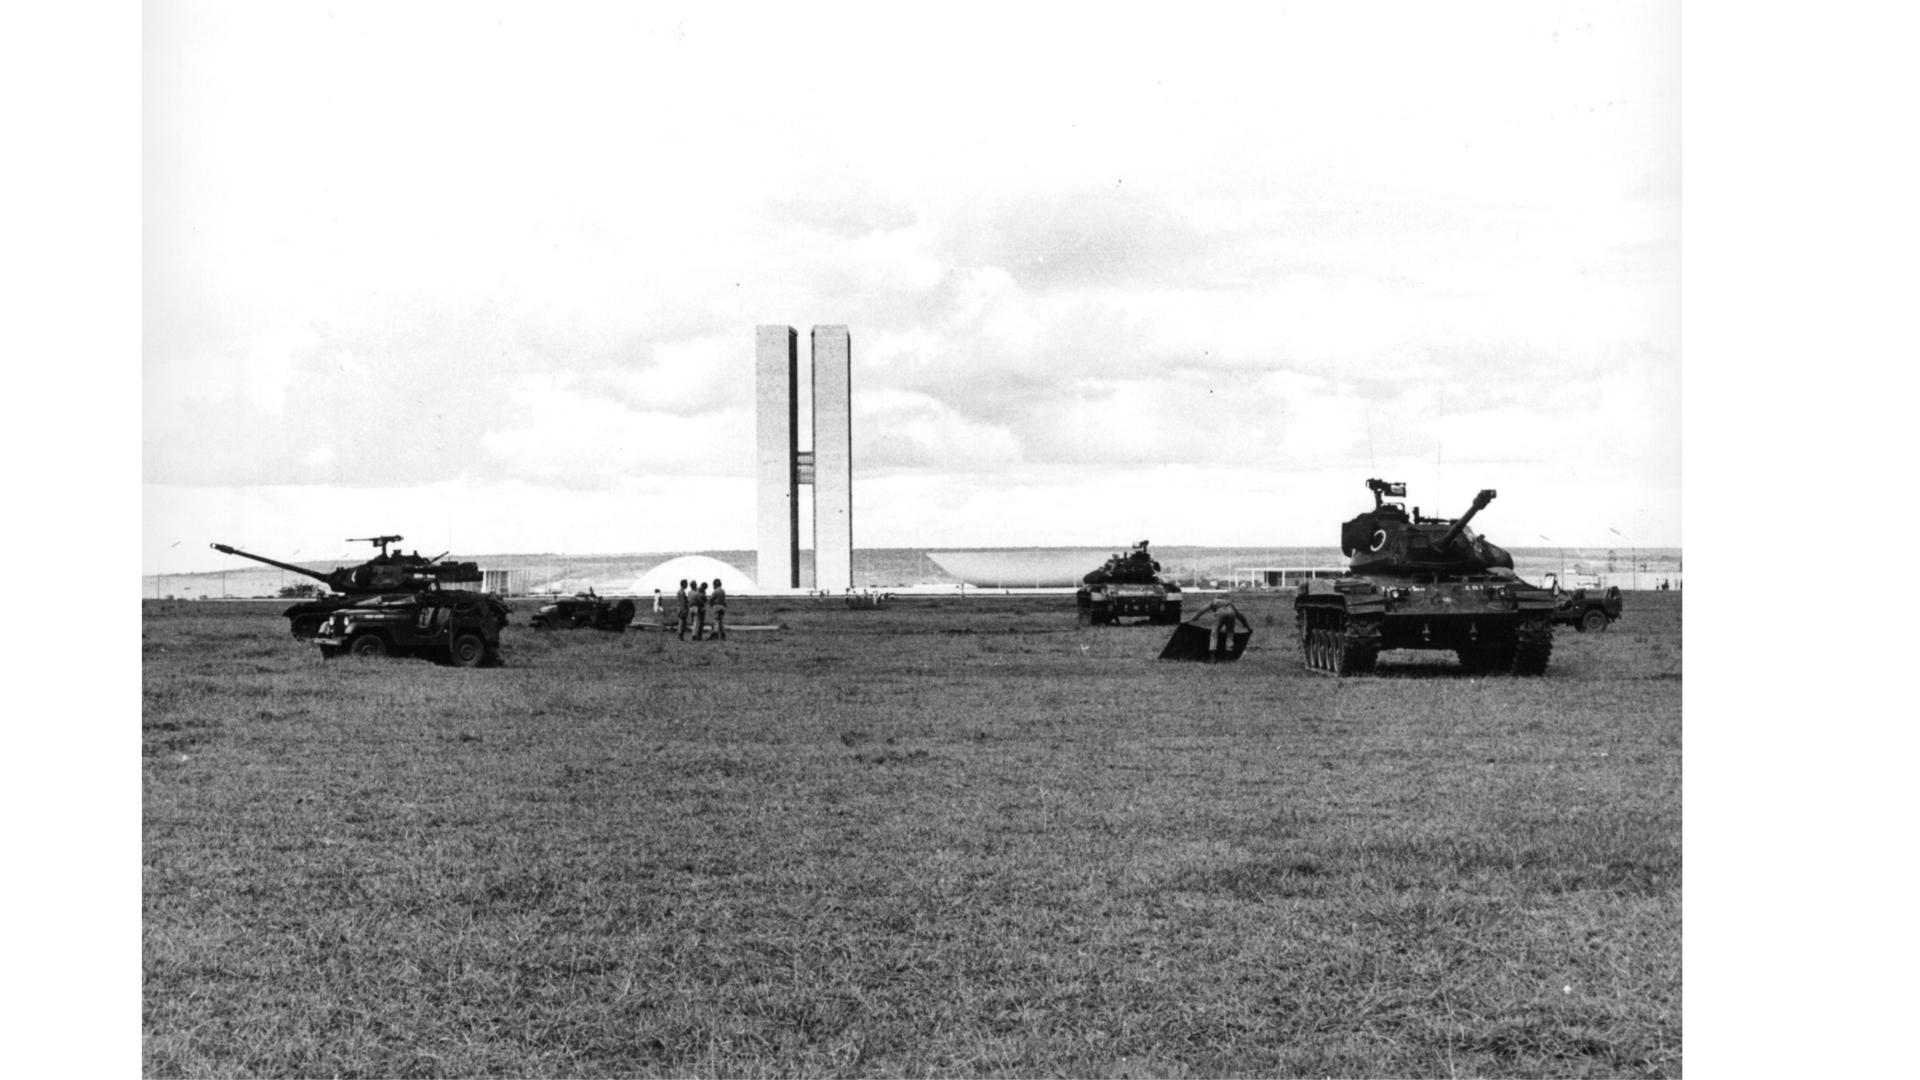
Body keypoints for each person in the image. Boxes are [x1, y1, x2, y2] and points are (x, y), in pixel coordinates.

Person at [1191, 595, 1250, 662]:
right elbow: (1240, 616)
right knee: (1230, 633)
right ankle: (1228, 658)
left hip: (1220, 612)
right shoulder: (1229, 603)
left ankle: (1212, 657)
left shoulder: (1214, 601)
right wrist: (1248, 627)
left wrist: (1194, 618)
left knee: (1214, 633)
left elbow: (1202, 610)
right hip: (1231, 612)